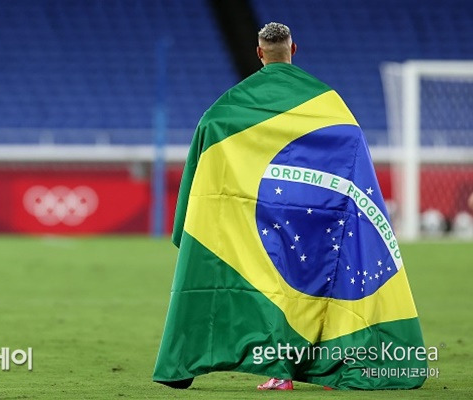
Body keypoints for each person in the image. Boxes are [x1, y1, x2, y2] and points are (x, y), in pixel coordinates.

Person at [153, 22, 426, 391]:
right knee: (324, 281)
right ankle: (333, 366)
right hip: (320, 210)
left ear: (259, 53)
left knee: (273, 286)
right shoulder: (326, 101)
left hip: (265, 209)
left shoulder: (234, 103)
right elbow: (352, 144)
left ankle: (280, 373)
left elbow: (210, 134)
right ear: (294, 50)